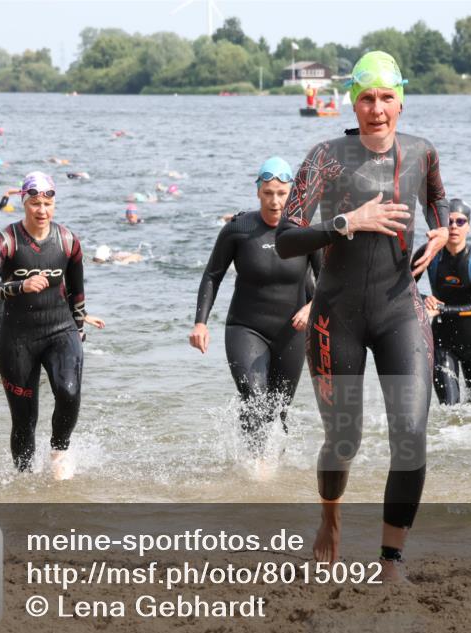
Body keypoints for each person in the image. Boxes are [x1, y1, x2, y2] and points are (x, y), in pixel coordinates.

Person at [275, 51, 450, 580]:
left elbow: (437, 199)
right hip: (337, 315)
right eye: (367, 98)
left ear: (401, 101)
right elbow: (285, 238)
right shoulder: (326, 156)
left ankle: (391, 560)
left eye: (386, 98)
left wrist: (441, 230)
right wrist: (347, 222)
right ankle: (330, 516)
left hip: (400, 308)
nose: (377, 109)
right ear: (353, 102)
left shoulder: (421, 152)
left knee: (411, 436)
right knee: (343, 440)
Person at [190, 157, 321, 453]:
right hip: (246, 328)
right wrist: (200, 323)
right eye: (268, 193)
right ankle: (254, 466)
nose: (275, 201)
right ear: (258, 192)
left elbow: (327, 280)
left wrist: (312, 307)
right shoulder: (238, 229)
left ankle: (272, 468)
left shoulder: (305, 231)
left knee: (279, 409)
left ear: (292, 193)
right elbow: (212, 275)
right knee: (253, 396)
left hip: (291, 332)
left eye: (282, 194)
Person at [0, 171, 93, 479]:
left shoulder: (68, 241)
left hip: (61, 330)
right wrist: (20, 286)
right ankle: (25, 483)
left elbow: (78, 292)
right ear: (23, 203)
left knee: (69, 393)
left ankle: (59, 452)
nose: (42, 210)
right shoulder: (6, 240)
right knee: (24, 421)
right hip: (18, 339)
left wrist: (79, 328)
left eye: (47, 203)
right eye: (34, 204)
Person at [412, 199, 471, 404]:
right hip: (441, 341)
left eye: (460, 221)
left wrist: (440, 309)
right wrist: (424, 300)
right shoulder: (428, 253)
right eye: (449, 221)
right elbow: (403, 288)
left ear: (469, 226)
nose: (454, 226)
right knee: (450, 407)